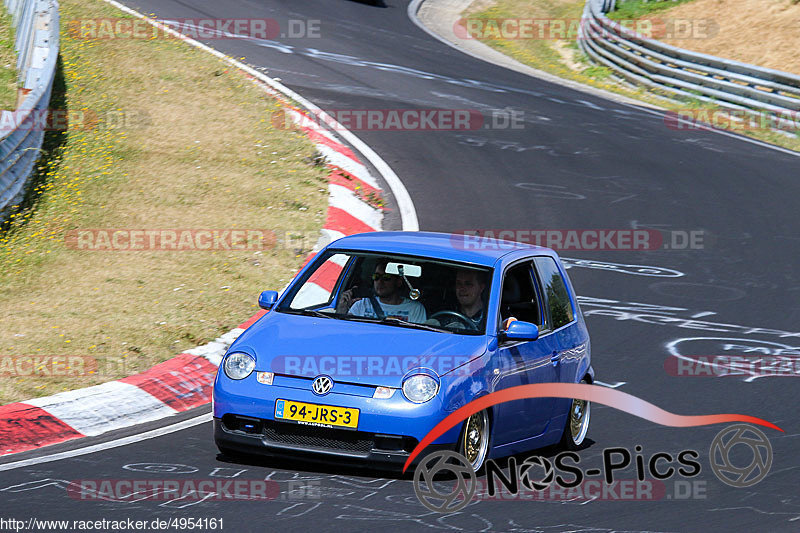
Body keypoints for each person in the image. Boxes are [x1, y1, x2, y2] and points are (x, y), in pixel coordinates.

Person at [337, 259, 427, 323]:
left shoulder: (415, 309)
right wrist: (341, 310)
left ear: (398, 282)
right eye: (376, 277)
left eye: (386, 278)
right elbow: (344, 330)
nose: (379, 282)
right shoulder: (361, 305)